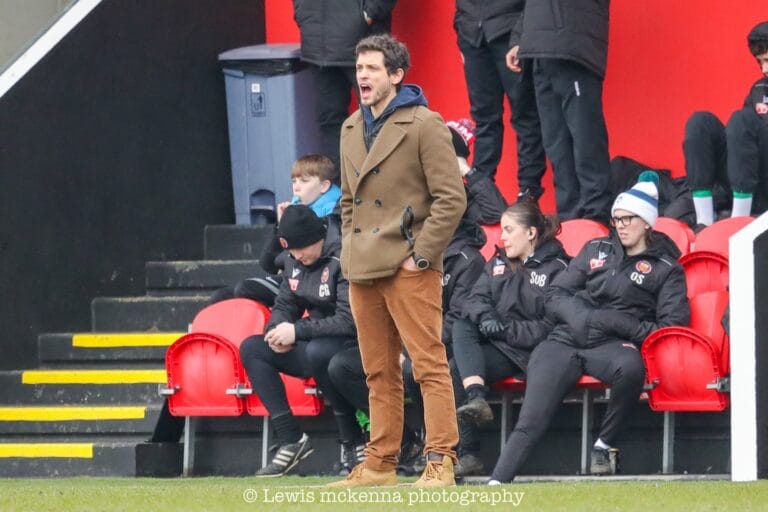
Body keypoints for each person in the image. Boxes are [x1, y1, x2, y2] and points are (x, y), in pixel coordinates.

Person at [488, 172, 690, 483]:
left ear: (648, 222)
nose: (620, 225)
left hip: (613, 343)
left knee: (631, 367)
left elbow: (671, 327)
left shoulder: (666, 268)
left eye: (628, 219)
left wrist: (617, 323)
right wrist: (581, 317)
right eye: (616, 218)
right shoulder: (596, 248)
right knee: (531, 418)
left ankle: (604, 444)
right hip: (566, 337)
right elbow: (555, 294)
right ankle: (497, 481)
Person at [329, 34, 467, 487]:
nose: (362, 76)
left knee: (428, 364)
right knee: (377, 371)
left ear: (396, 75)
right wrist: (351, 251)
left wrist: (422, 256)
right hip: (363, 266)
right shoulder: (350, 127)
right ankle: (379, 465)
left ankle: (441, 459)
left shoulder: (426, 123)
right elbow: (348, 200)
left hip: (409, 265)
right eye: (359, 68)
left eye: (372, 68)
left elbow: (451, 198)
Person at [326, 120, 500, 476]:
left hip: (442, 338)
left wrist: (464, 167)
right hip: (394, 303)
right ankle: (396, 446)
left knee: (432, 365)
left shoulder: (467, 255)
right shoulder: (358, 137)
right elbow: (347, 208)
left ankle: (442, 455)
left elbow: (460, 315)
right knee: (345, 364)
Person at [238, 205, 361, 477]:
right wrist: (277, 330)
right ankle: (290, 439)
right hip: (316, 337)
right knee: (252, 347)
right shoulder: (294, 259)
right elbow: (284, 304)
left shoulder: (343, 256)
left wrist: (297, 332)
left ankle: (354, 440)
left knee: (319, 352)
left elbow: (348, 320)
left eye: (301, 249)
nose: (296, 256)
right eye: (291, 251)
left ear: (317, 237)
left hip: (353, 343)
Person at [451, 200, 569, 477]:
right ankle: (475, 398)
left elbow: (551, 325)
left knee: (457, 366)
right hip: (496, 341)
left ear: (530, 233)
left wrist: (505, 330)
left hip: (525, 352)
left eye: (508, 230)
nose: (501, 237)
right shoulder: (499, 262)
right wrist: (488, 318)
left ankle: (468, 449)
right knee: (461, 327)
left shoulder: (559, 268)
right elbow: (475, 299)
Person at [506, 0, 612, 223]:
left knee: (585, 136)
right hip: (538, 50)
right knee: (556, 144)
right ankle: (570, 220)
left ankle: (597, 218)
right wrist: (519, 39)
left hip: (573, 46)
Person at [210, 154, 342, 307]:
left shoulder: (334, 213)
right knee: (220, 297)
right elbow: (269, 265)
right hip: (292, 277)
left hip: (313, 281)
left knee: (245, 289)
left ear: (324, 186)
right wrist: (281, 225)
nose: (296, 187)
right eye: (294, 181)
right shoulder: (297, 212)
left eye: (304, 181)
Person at [454, 1, 546, 201]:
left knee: (525, 116)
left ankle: (528, 194)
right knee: (484, 117)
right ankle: (481, 192)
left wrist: (521, 35)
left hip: (509, 32)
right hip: (472, 35)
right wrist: (460, 28)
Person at [292, 0, 398, 171]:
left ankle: (384, 190)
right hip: (317, 41)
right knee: (330, 120)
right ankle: (340, 190)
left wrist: (369, 13)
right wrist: (302, 11)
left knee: (380, 118)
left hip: (365, 39)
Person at [683, 21, 768, 226]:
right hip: (749, 179)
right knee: (700, 122)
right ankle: (704, 223)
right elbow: (742, 143)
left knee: (741, 120)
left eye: (767, 60)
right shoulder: (759, 88)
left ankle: (738, 223)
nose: (764, 68)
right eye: (760, 62)